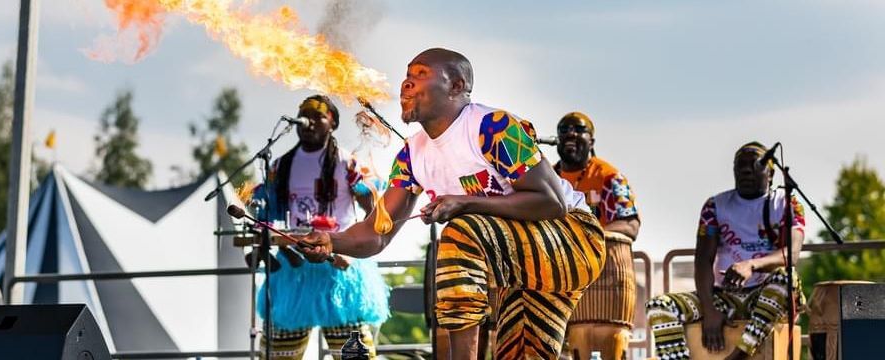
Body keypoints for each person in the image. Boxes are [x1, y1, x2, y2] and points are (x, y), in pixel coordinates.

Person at [298, 48, 605, 359]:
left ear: (457, 86)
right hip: (522, 265)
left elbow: (551, 202)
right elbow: (377, 232)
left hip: (572, 237)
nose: (407, 83)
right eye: (407, 75)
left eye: (420, 74)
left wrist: (464, 202)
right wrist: (330, 240)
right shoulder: (411, 155)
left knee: (460, 232)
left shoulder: (492, 127)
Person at [253, 95, 390, 359]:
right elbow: (265, 208)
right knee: (276, 354)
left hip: (339, 270)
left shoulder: (348, 164)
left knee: (354, 356)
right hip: (295, 271)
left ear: (333, 123)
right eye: (304, 116)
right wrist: (262, 232)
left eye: (318, 116)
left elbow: (375, 206)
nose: (309, 122)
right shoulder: (280, 166)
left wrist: (364, 239)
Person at [645, 142, 805, 360]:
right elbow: (703, 260)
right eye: (740, 166)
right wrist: (709, 309)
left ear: (771, 173)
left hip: (766, 297)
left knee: (788, 277)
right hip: (725, 298)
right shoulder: (715, 205)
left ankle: (739, 354)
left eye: (755, 165)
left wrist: (751, 264)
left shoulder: (787, 203)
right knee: (658, 306)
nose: (747, 170)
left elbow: (792, 254)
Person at [553, 112, 640, 359]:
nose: (570, 133)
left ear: (591, 141)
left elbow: (630, 224)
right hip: (554, 274)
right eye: (564, 129)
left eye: (579, 129)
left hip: (600, 277)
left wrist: (589, 235)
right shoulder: (547, 177)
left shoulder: (609, 177)